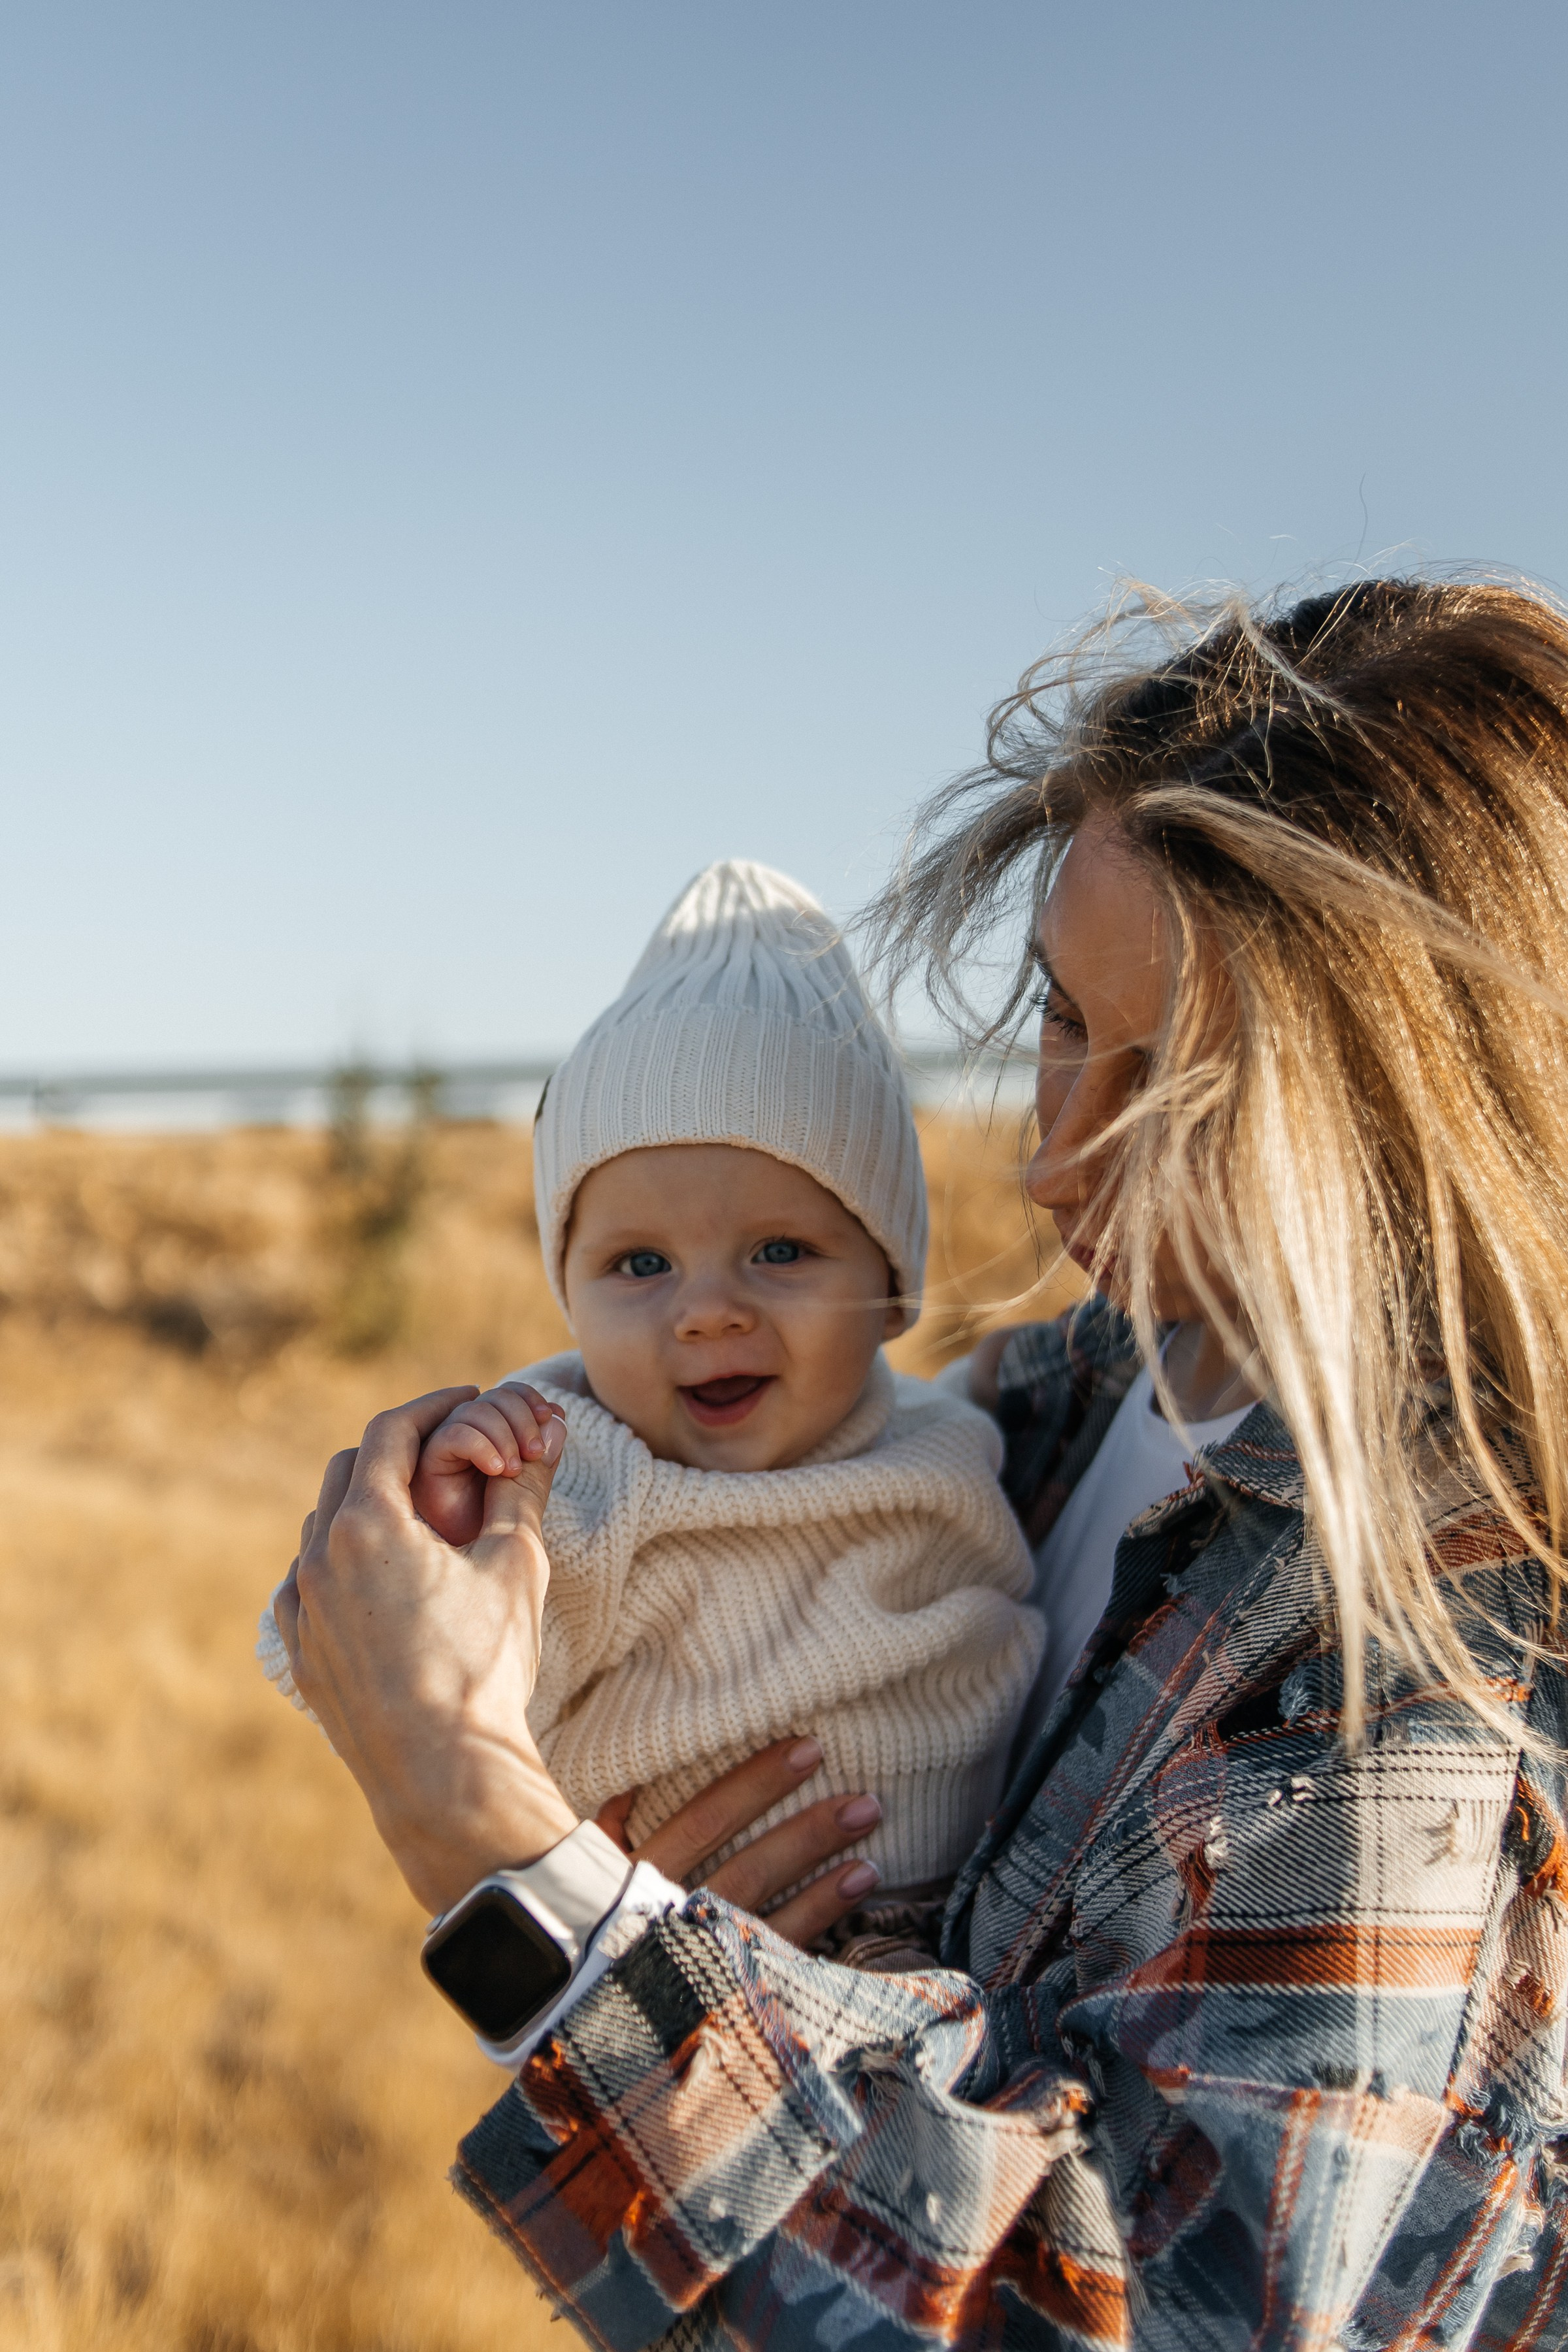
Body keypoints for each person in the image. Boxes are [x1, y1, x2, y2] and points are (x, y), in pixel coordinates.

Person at [277, 579, 1568, 2347]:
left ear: (1433, 1115)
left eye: (1183, 1088)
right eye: (1060, 1025)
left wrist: (485, 1838)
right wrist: (705, 1942)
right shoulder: (1069, 1393)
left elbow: (1093, 2310)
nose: (1055, 1164)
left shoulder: (1424, 1677)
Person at [261, 858, 1041, 1956]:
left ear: (892, 1283)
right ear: (566, 1291)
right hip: (675, 1966)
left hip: (965, 1956)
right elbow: (374, 1653)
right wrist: (444, 1527)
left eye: (782, 1250)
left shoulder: (955, 1436)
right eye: (639, 1263)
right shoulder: (574, 1467)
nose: (709, 1311)